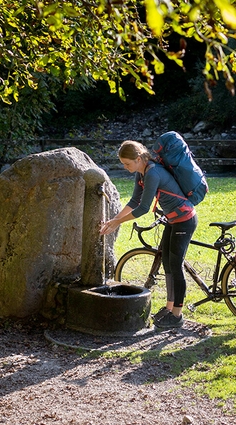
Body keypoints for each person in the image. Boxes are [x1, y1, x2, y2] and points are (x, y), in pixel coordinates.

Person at [100, 139, 198, 330]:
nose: (126, 168)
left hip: (184, 219)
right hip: (173, 219)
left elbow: (144, 208)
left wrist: (118, 222)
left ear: (138, 158)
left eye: (127, 164)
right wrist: (113, 220)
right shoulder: (141, 173)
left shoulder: (153, 173)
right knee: (168, 263)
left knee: (176, 266)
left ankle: (177, 315)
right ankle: (169, 309)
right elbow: (135, 200)